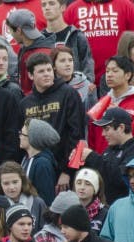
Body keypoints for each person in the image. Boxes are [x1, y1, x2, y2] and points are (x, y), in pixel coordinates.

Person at [21, 53, 85, 188]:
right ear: (31, 75)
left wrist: (67, 171)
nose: (47, 74)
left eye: (49, 70)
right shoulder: (25, 103)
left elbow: (77, 135)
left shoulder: (69, 94)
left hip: (63, 170)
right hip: (36, 167)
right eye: (41, 71)